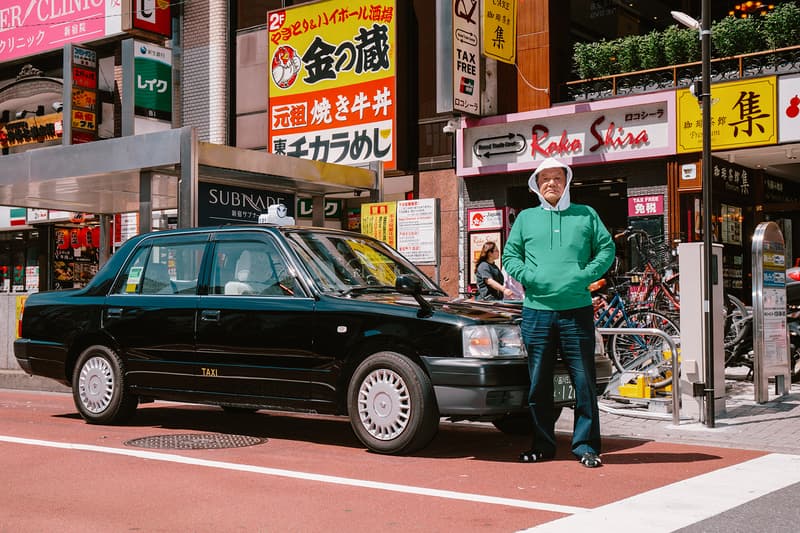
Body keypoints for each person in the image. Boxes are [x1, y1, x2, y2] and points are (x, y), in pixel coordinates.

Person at [502, 157, 615, 468]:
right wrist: (529, 277)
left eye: (556, 178)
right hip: (536, 312)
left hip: (577, 311)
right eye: (544, 179)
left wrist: (585, 274)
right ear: (537, 185)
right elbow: (510, 255)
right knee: (538, 383)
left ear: (567, 182)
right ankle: (542, 444)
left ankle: (586, 447)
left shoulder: (586, 215)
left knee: (584, 382)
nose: (551, 183)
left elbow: (607, 249)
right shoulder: (526, 218)